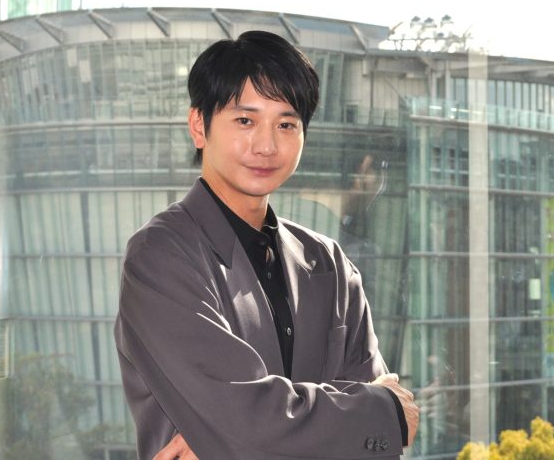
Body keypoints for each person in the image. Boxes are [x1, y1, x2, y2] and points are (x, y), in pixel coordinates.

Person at [114, 30, 419, 460]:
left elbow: (371, 452)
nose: (267, 145)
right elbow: (245, 425)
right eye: (245, 121)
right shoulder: (160, 256)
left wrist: (236, 437)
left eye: (286, 124)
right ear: (199, 125)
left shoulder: (329, 263)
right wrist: (378, 410)